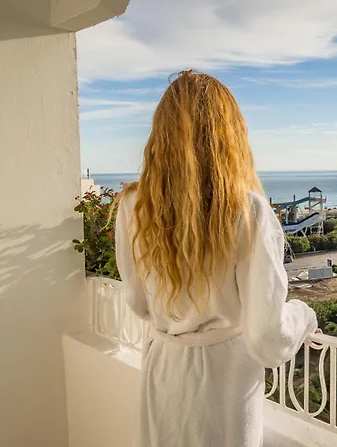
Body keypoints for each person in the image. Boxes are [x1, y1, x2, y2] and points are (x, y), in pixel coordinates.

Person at [115, 70, 318, 447]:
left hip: (164, 371)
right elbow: (268, 339)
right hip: (224, 385)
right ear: (228, 134)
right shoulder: (246, 210)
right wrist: (305, 315)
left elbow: (139, 302)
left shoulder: (133, 205)